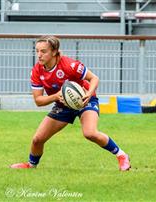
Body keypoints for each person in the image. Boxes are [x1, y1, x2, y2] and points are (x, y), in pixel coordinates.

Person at [10, 35, 131, 171]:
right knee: (37, 139)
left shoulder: (70, 65)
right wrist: (56, 97)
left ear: (54, 52)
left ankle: (122, 156)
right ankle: (31, 166)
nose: (39, 55)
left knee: (90, 133)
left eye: (43, 51)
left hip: (85, 101)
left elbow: (94, 78)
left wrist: (89, 93)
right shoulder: (37, 71)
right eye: (37, 51)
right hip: (62, 105)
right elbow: (38, 101)